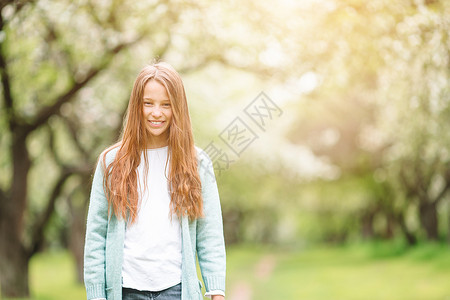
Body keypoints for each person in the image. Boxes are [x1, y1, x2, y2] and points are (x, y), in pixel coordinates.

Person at [83, 61, 226, 300]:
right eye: (148, 103)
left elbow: (210, 235)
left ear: (177, 108)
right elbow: (96, 235)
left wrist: (216, 290)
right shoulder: (110, 162)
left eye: (166, 105)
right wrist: (96, 294)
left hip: (177, 290)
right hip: (125, 290)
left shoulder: (198, 163)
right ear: (136, 106)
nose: (156, 112)